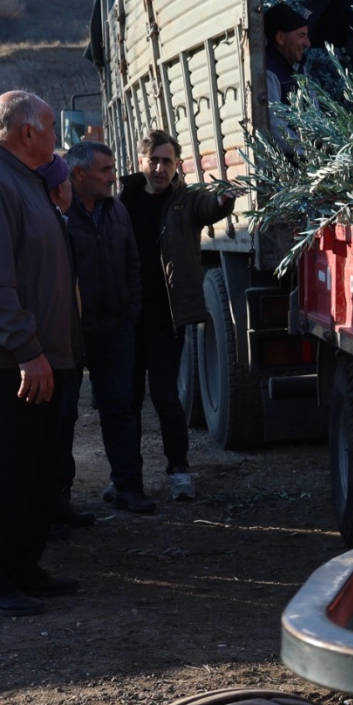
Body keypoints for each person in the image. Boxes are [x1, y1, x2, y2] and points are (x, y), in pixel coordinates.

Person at [0, 90, 83, 617]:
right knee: (0, 471)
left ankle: (22, 568)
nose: (57, 137)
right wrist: (28, 351)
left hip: (38, 356)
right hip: (9, 361)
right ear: (26, 132)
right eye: (51, 126)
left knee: (34, 471)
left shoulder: (23, 179)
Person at [119, 131, 236, 500]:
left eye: (166, 161)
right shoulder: (122, 200)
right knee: (127, 400)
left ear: (177, 166)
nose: (159, 168)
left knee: (165, 396)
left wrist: (223, 201)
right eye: (153, 160)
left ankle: (179, 469)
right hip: (126, 319)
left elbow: (209, 206)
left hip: (166, 320)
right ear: (141, 162)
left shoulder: (184, 203)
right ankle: (126, 476)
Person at [55, 141, 154, 517]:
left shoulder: (118, 211)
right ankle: (58, 500)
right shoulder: (57, 213)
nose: (114, 177)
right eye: (106, 170)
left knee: (120, 408)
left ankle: (127, 487)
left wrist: (131, 311)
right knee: (63, 416)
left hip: (115, 328)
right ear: (79, 173)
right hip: (69, 331)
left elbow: (133, 263)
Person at [263, 2, 311, 111]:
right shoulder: (269, 73)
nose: (308, 43)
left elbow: (314, 109)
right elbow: (276, 125)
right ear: (280, 38)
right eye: (301, 35)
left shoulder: (299, 66)